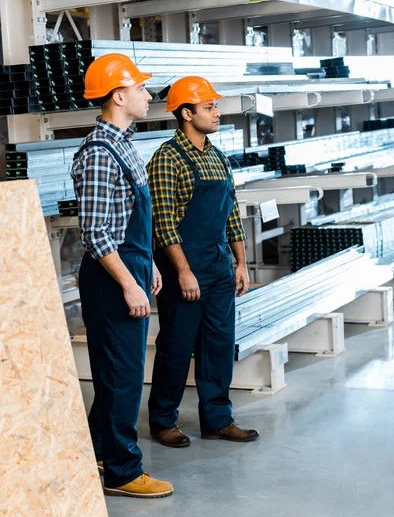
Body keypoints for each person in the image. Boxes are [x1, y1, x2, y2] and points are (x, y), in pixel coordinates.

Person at [71, 54, 173, 499]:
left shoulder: (124, 143)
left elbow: (126, 217)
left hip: (128, 268)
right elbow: (95, 232)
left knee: (121, 373)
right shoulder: (98, 153)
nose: (148, 95)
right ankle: (122, 472)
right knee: (123, 376)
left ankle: (98, 450)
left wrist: (145, 262)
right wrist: (128, 282)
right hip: (110, 282)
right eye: (141, 89)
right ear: (119, 95)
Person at [147, 76, 259, 448]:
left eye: (215, 106)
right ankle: (163, 420)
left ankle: (218, 419)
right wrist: (182, 271)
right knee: (177, 345)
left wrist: (241, 262)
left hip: (218, 263)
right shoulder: (167, 158)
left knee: (219, 345)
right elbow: (162, 221)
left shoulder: (217, 155)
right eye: (209, 107)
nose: (217, 112)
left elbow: (231, 213)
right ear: (185, 113)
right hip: (184, 265)